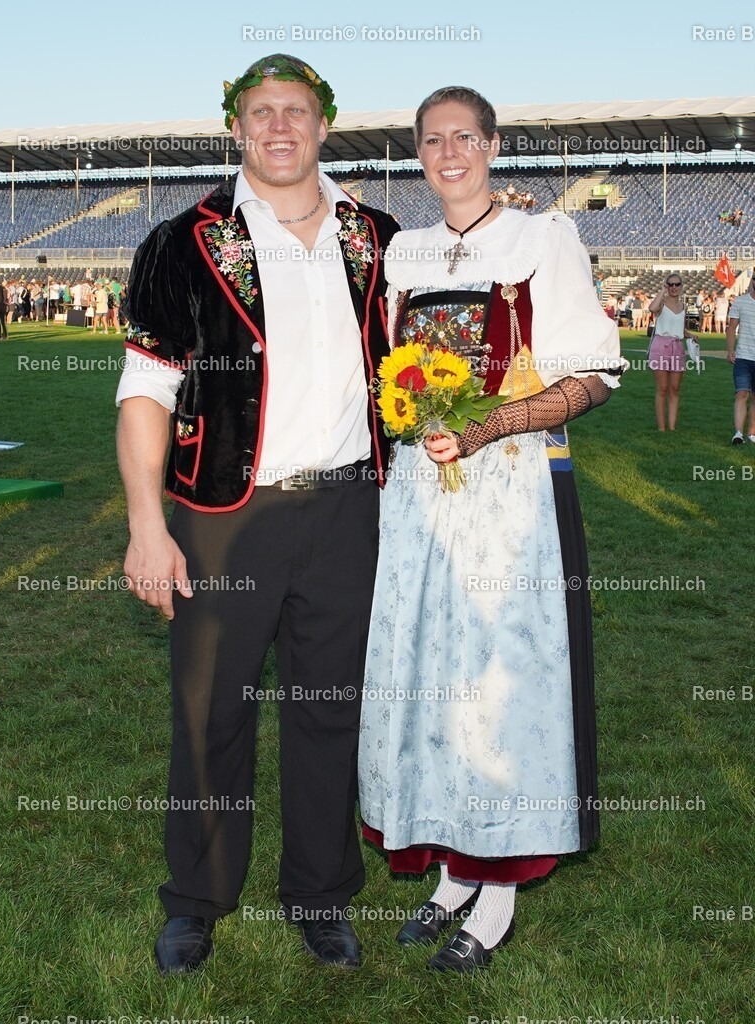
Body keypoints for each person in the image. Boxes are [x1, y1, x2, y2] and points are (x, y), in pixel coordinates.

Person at [115, 53, 397, 976]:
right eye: (262, 111)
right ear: (236, 127)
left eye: (299, 111)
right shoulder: (184, 240)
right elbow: (146, 389)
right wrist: (146, 525)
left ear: (325, 126)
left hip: (350, 510)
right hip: (222, 514)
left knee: (329, 710)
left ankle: (320, 895)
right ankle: (196, 899)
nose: (281, 126)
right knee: (209, 712)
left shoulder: (377, 238)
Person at [358, 85, 626, 974]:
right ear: (419, 154)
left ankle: (497, 882)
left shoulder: (542, 239)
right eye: (432, 141)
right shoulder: (406, 251)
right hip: (419, 494)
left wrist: (484, 428)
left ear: (494, 145)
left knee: (499, 683)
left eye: (463, 137)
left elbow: (589, 377)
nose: (448, 153)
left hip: (510, 492)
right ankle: (447, 867)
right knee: (428, 673)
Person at [647, 274, 694, 431]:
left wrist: (690, 335)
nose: (674, 287)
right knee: (662, 388)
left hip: (677, 348)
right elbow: (652, 309)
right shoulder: (662, 302)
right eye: (670, 284)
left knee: (674, 389)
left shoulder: (683, 306)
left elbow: (679, 328)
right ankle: (662, 428)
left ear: (681, 286)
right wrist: (662, 291)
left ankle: (672, 428)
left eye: (677, 284)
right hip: (660, 346)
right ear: (666, 285)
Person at [726, 271, 755, 444]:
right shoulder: (740, 301)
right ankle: (738, 433)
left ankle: (751, 433)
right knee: (741, 393)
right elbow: (731, 328)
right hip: (743, 355)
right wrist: (730, 350)